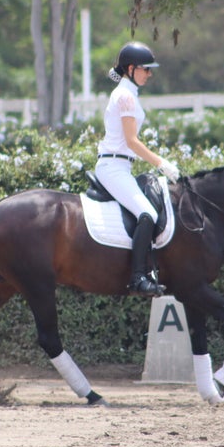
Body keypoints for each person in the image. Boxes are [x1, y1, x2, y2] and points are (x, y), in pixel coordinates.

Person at [95, 41, 180, 295]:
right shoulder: (124, 96)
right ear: (131, 69)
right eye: (146, 69)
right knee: (147, 214)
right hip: (112, 166)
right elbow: (132, 141)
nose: (149, 74)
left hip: (122, 166)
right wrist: (161, 163)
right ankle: (137, 278)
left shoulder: (129, 93)